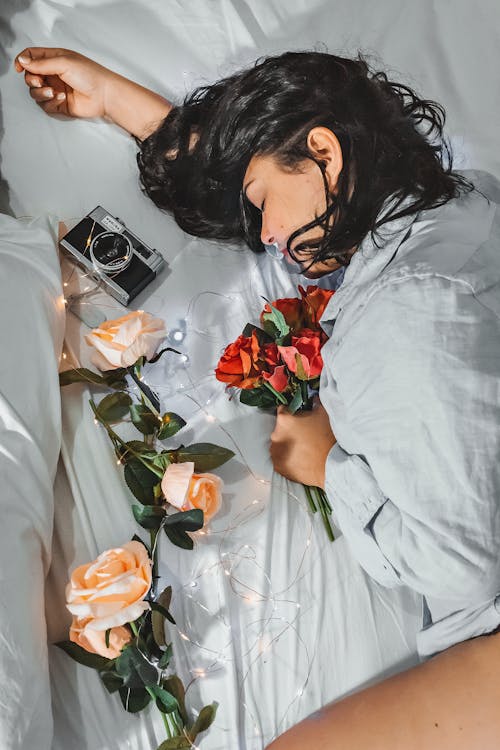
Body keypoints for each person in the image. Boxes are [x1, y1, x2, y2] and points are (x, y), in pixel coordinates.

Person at [15, 47, 500, 749]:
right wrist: (118, 99)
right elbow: (256, 188)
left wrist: (328, 463)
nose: (267, 236)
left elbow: (459, 565)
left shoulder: (404, 309)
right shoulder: (464, 204)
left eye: (263, 204)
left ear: (324, 151)